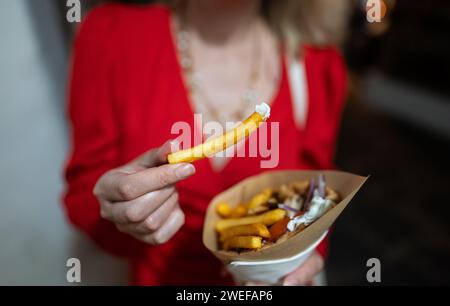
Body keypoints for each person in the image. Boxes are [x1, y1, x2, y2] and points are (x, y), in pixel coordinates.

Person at [63, 0, 349, 285]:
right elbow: (83, 192)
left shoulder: (317, 65)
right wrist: (118, 212)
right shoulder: (111, 35)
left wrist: (304, 255)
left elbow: (318, 193)